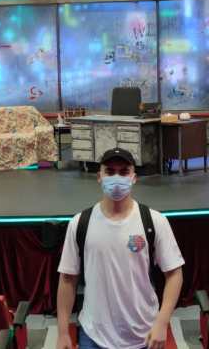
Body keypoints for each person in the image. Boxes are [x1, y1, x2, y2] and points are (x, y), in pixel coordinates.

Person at [57, 148, 185, 349]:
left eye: (124, 172)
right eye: (110, 171)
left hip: (144, 335)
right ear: (99, 177)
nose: (116, 178)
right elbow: (67, 279)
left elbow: (174, 274)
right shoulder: (80, 223)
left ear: (134, 178)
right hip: (93, 336)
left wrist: (162, 322)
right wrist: (63, 332)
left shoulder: (154, 221)